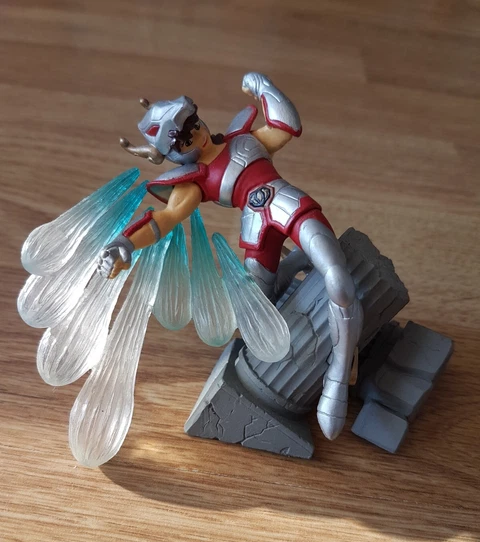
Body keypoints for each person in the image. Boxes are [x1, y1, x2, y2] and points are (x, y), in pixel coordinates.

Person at [97, 72, 363, 441]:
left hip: (288, 203)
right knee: (255, 314)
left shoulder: (244, 140)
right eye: (183, 140)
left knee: (339, 281)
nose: (195, 136)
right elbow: (166, 218)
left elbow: (286, 126)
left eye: (193, 125)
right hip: (256, 231)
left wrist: (264, 87)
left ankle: (339, 370)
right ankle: (297, 264)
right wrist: (125, 244)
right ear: (173, 154)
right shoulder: (196, 180)